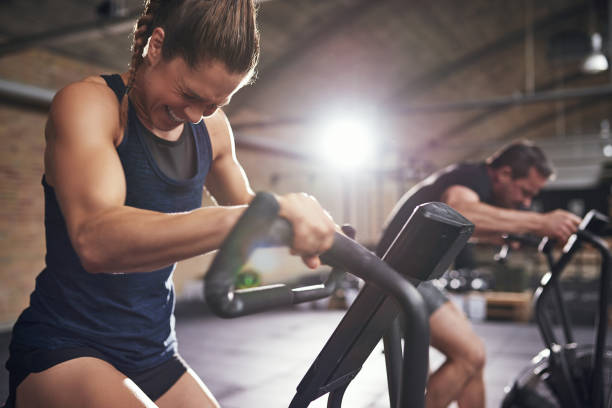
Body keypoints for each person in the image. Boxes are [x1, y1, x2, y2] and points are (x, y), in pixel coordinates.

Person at [3, 1, 337, 407]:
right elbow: (96, 239)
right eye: (189, 94)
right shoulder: (90, 106)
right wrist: (245, 217)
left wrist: (304, 224)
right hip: (66, 344)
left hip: (152, 348)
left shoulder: (211, 131)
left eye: (215, 104)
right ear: (155, 46)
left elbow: (249, 209)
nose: (196, 115)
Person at [376, 140, 581, 408]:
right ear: (504, 173)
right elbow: (459, 211)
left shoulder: (479, 185)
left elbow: (463, 224)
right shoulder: (470, 176)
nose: (525, 202)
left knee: (474, 362)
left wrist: (511, 234)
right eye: (524, 192)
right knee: (470, 355)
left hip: (415, 278)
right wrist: (541, 221)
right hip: (396, 278)